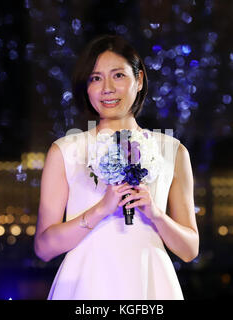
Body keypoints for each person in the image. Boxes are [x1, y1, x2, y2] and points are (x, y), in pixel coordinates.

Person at [34, 34, 199, 300]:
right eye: (96, 78)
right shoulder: (65, 151)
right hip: (87, 285)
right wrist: (101, 209)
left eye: (118, 76)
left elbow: (190, 249)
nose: (107, 88)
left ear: (140, 79)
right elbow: (44, 248)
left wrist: (155, 214)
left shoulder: (172, 150)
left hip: (151, 284)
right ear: (86, 87)